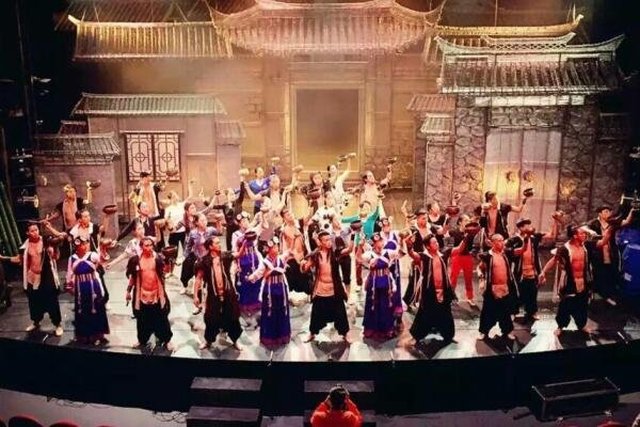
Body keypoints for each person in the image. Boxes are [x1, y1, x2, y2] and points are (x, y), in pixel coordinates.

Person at [540, 225, 614, 336]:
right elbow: (554, 260)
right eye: (582, 233)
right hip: (570, 282)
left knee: (582, 305)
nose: (584, 235)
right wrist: (543, 272)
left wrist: (611, 228)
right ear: (575, 236)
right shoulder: (564, 249)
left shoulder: (586, 246)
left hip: (583, 281)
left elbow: (603, 242)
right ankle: (560, 326)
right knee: (565, 306)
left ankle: (582, 325)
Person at [7, 223, 63, 336]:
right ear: (27, 233)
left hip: (46, 276)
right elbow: (19, 259)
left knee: (51, 299)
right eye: (32, 231)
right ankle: (36, 322)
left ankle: (58, 324)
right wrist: (3, 258)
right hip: (32, 276)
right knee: (34, 301)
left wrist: (50, 229)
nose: (35, 232)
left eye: (36, 230)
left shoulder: (46, 241)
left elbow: (61, 238)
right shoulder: (24, 247)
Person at [406, 233, 460, 344]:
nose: (437, 244)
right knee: (424, 315)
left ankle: (448, 336)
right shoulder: (424, 257)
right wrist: (409, 246)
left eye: (436, 242)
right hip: (429, 292)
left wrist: (468, 236)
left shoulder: (443, 255)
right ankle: (416, 337)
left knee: (446, 315)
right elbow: (412, 254)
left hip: (444, 291)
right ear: (428, 246)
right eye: (434, 242)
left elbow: (459, 249)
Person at [193, 236, 242, 351]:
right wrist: (195, 296)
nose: (220, 244)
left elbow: (239, 254)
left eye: (219, 242)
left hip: (228, 293)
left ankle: (235, 340)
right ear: (210, 246)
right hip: (213, 295)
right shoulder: (204, 261)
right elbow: (198, 279)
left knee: (233, 317)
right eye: (217, 243)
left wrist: (245, 242)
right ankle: (208, 341)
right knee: (211, 319)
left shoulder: (225, 257)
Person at [506, 216, 559, 321]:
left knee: (532, 292)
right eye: (526, 225)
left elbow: (551, 235)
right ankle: (513, 312)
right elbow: (509, 252)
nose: (529, 227)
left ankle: (531, 312)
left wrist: (556, 221)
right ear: (520, 228)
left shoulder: (534, 238)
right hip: (519, 271)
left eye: (528, 225)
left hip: (532, 270)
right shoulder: (513, 240)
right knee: (517, 293)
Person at [301, 230, 350, 343]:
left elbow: (349, 250)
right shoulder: (315, 255)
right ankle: (312, 333)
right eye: (326, 240)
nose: (329, 242)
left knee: (340, 312)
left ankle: (345, 334)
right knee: (316, 313)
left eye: (330, 239)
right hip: (321, 288)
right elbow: (305, 269)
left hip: (334, 288)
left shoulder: (335, 253)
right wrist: (303, 264)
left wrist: (353, 235)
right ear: (321, 242)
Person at [125, 237, 173, 350]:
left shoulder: (158, 258)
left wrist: (168, 260)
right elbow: (133, 277)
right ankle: (142, 340)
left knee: (162, 318)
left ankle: (167, 340)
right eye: (146, 245)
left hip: (157, 294)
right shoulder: (136, 260)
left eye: (151, 245)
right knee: (142, 320)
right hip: (141, 294)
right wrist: (128, 291)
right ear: (141, 247)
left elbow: (166, 271)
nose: (149, 247)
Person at [248, 237, 292, 346]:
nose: (277, 249)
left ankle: (282, 336)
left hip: (282, 290)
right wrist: (250, 278)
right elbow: (258, 273)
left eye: (277, 246)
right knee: (270, 313)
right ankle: (270, 338)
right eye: (274, 247)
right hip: (269, 291)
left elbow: (289, 252)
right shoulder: (264, 262)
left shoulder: (281, 258)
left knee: (282, 312)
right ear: (268, 249)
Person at [66, 236, 109, 345]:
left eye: (85, 243)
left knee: (96, 308)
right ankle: (84, 335)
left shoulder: (92, 255)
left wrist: (103, 249)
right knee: (82, 310)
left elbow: (103, 261)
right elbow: (69, 274)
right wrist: (69, 286)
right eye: (81, 244)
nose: (84, 246)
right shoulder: (72, 258)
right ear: (76, 246)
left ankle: (97, 335)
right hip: (80, 287)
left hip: (93, 286)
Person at [477, 234, 519, 340]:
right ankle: (484, 332)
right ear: (493, 243)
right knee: (488, 311)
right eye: (499, 241)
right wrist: (481, 277)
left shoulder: (506, 254)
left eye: (502, 240)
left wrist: (527, 239)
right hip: (492, 288)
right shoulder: (488, 256)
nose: (502, 242)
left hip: (505, 288)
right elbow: (480, 268)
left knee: (505, 312)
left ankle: (507, 331)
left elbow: (520, 251)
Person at [361, 233, 399, 340]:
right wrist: (359, 247)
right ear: (373, 243)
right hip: (373, 283)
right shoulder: (369, 254)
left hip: (386, 283)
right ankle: (371, 328)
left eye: (381, 241)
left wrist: (404, 242)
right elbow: (359, 259)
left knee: (385, 305)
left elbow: (401, 253)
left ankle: (387, 328)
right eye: (377, 242)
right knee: (372, 304)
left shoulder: (388, 252)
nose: (380, 243)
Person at [587, 206, 621, 306]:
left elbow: (625, 223)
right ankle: (596, 295)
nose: (609, 213)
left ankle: (608, 295)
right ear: (600, 214)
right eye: (606, 211)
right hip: (597, 254)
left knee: (610, 274)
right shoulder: (593, 224)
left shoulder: (612, 223)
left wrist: (631, 212)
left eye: (609, 211)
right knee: (598, 275)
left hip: (610, 253)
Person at [448, 215, 477, 306]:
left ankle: (470, 298)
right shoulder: (453, 232)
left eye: (468, 220)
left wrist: (472, 254)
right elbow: (450, 245)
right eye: (465, 220)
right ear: (460, 222)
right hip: (457, 256)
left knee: (468, 278)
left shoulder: (471, 233)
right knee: (453, 278)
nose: (468, 222)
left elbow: (474, 246)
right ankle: (451, 297)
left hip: (467, 257)